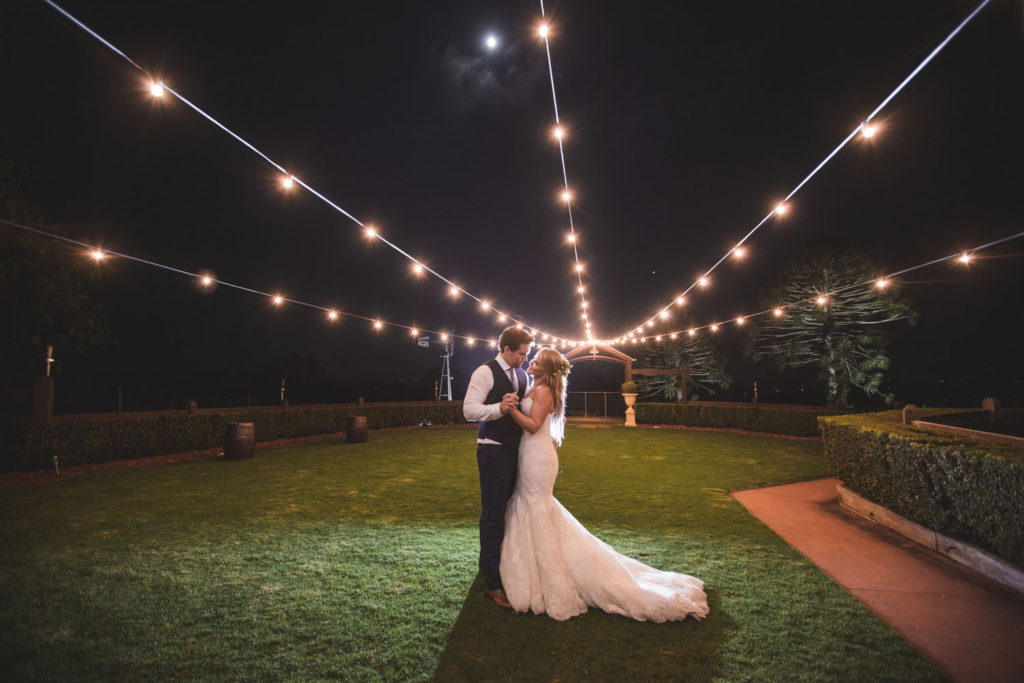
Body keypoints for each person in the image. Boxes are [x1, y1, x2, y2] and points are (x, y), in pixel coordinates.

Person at [499, 347, 709, 622]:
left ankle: (547, 578)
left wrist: (511, 409)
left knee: (537, 506)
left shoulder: (544, 392)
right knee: (533, 505)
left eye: (536, 360)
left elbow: (534, 425)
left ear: (545, 369)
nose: (532, 361)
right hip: (532, 455)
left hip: (537, 457)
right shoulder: (533, 387)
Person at [463, 326, 535, 609]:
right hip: (492, 451)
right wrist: (497, 409)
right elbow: (468, 410)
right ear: (506, 349)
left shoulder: (521, 375)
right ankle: (492, 583)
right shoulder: (483, 372)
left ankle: (498, 567)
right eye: (520, 354)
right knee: (493, 514)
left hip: (516, 452)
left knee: (509, 511)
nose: (524, 360)